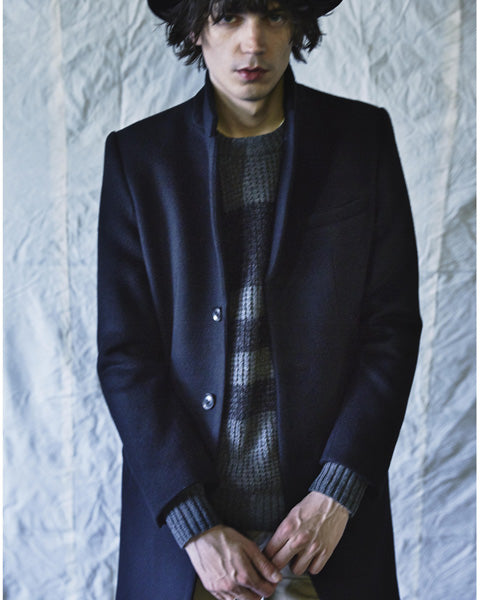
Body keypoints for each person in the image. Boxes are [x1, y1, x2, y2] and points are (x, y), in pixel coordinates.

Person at [97, 0, 422, 598]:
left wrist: (338, 490)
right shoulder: (139, 159)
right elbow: (125, 357)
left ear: (296, 23)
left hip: (325, 537)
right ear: (195, 27)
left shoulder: (361, 139)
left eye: (273, 15)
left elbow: (391, 330)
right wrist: (193, 525)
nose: (253, 42)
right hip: (188, 552)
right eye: (228, 16)